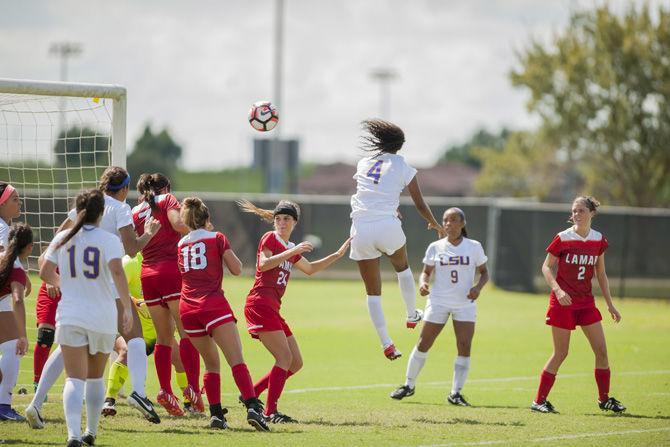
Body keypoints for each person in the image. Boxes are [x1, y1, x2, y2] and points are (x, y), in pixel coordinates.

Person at [27, 167, 162, 426]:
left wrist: (54, 272)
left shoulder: (87, 201)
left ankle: (36, 402)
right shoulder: (120, 209)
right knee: (134, 337)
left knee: (66, 348)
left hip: (78, 285)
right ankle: (139, 393)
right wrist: (150, 233)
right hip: (105, 281)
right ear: (123, 189)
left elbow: (59, 234)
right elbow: (131, 250)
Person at [239, 199, 350, 423]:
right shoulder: (271, 238)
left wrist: (336, 256)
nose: (281, 222)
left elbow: (309, 269)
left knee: (295, 362)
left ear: (294, 222)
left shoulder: (290, 248)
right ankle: (270, 412)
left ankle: (250, 393)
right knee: (284, 358)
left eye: (286, 219)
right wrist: (294, 251)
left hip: (272, 308)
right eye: (278, 218)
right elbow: (263, 264)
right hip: (260, 303)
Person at [39, 189, 134, 447]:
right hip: (102, 316)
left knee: (74, 379)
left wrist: (65, 284)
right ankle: (90, 432)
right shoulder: (109, 240)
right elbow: (117, 271)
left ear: (77, 211)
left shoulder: (62, 237)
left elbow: (44, 270)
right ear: (101, 213)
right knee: (95, 377)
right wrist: (126, 306)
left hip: (71, 315)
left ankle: (72, 435)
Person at [349, 119, 445, 360]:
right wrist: (434, 223)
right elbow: (420, 203)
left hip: (360, 228)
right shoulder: (402, 165)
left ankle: (386, 344)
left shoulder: (363, 163)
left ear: (380, 141)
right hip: (387, 226)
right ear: (399, 146)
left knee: (372, 293)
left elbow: (369, 192)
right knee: (402, 269)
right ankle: (412, 314)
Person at [178, 197, 268, 431]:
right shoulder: (217, 238)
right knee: (236, 359)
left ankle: (216, 415)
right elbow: (237, 269)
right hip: (212, 304)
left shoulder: (181, 244)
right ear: (207, 219)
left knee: (210, 364)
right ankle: (252, 407)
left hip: (187, 309)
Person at [531, 196, 625, 414]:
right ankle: (539, 400)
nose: (576, 215)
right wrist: (558, 289)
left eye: (581, 210)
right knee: (561, 353)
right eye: (574, 211)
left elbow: (600, 273)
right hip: (563, 302)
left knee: (601, 350)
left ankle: (604, 399)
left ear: (592, 213)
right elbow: (546, 267)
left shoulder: (598, 239)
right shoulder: (563, 238)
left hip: (586, 302)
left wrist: (610, 304)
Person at [390, 208, 488, 406]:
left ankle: (455, 393)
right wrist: (423, 283)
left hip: (464, 303)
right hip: (438, 301)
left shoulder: (474, 247)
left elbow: (484, 273)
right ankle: (408, 385)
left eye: (453, 220)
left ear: (463, 223)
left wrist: (477, 288)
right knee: (424, 342)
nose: (449, 224)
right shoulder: (435, 246)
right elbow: (426, 272)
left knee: (464, 345)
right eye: (445, 220)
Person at [133, 173, 201, 417]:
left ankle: (164, 390)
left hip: (147, 274)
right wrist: (199, 228)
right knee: (187, 334)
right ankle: (194, 393)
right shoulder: (167, 199)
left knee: (163, 337)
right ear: (167, 187)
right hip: (171, 270)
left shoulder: (135, 210)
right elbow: (177, 224)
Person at [102, 253, 191, 417]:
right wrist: (136, 302)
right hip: (127, 328)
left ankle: (188, 402)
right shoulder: (130, 263)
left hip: (156, 331)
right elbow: (112, 288)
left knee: (180, 359)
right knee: (126, 353)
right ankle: (109, 399)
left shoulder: (167, 262)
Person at [0, 223, 33, 421]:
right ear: (29, 247)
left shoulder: (4, 259)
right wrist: (23, 336)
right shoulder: (16, 269)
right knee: (15, 347)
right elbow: (18, 301)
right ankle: (3, 405)